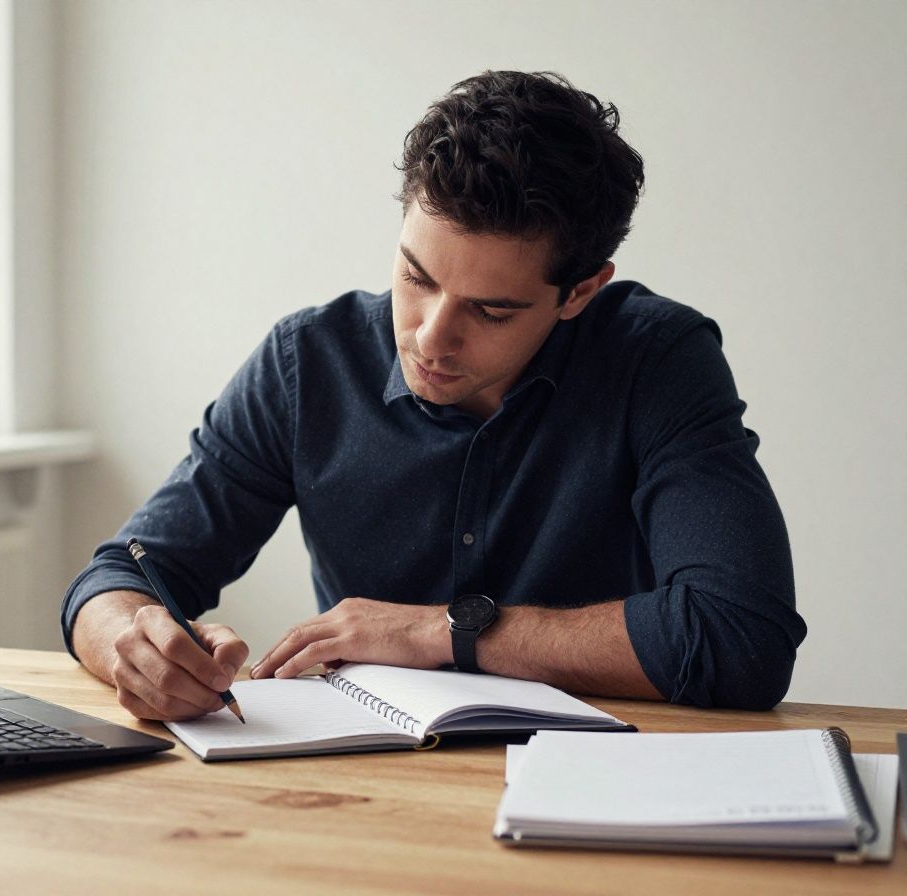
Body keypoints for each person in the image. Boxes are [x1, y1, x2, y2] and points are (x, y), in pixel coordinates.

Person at [61, 70, 805, 721]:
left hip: (599, 784)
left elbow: (740, 638)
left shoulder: (655, 359)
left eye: (492, 310)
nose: (429, 338)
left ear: (580, 292)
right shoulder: (308, 364)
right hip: (366, 789)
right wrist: (135, 644)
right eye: (416, 278)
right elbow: (119, 575)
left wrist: (439, 630)